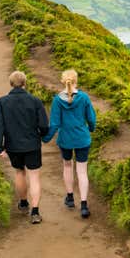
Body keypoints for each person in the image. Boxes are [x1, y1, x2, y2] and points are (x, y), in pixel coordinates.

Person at [0, 71, 49, 224]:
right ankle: (35, 212)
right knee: (34, 176)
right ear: (25, 83)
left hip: (13, 146)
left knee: (19, 172)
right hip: (32, 144)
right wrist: (42, 135)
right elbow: (44, 125)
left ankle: (24, 203)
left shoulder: (2, 102)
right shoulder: (35, 101)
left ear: (11, 84)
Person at [42, 69, 96, 219]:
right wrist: (91, 128)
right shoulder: (84, 98)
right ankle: (84, 205)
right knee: (82, 171)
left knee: (67, 165)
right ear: (76, 81)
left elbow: (54, 123)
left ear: (62, 81)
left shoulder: (57, 100)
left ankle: (70, 198)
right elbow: (91, 118)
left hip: (65, 139)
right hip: (82, 139)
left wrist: (46, 139)